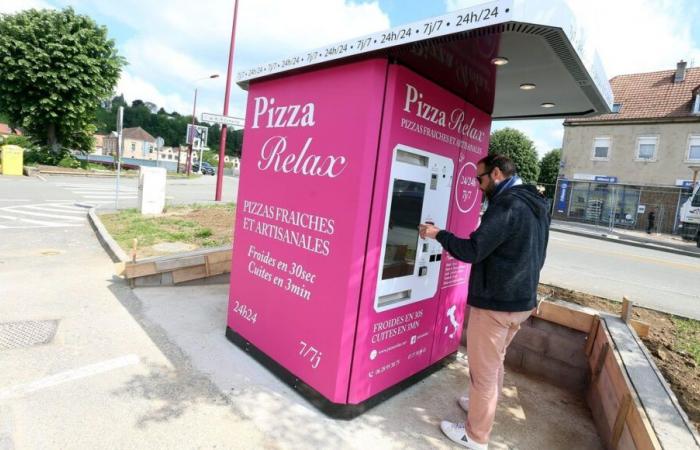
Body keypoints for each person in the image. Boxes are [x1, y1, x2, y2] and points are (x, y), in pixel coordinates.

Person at [419, 154, 550, 449]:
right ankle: (481, 406)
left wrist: (437, 233)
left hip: (496, 305)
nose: (478, 186)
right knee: (495, 362)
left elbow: (473, 250)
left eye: (480, 179)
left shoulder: (507, 205)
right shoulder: (536, 203)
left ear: (497, 174)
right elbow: (541, 254)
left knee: (482, 373)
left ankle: (475, 435)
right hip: (522, 302)